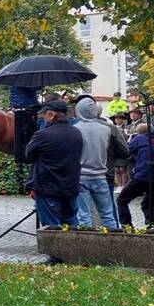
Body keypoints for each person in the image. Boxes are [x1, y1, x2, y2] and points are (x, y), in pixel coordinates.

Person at [23, 99, 82, 228]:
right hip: (71, 187)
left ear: (51, 115)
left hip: (48, 188)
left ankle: (56, 248)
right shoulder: (76, 132)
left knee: (52, 228)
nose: (43, 119)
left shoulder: (42, 135)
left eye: (44, 115)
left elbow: (28, 156)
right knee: (72, 224)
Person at [73, 96, 121, 229]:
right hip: (100, 176)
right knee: (107, 214)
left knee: (84, 215)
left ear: (78, 111)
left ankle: (86, 244)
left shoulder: (75, 129)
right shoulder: (106, 129)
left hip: (81, 176)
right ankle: (115, 242)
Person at [117, 123, 154, 227]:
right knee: (148, 204)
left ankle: (127, 226)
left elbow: (126, 151)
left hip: (143, 175)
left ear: (138, 132)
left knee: (122, 200)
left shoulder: (139, 139)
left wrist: (130, 139)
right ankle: (151, 225)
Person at [112, 113, 132, 187]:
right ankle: (119, 186)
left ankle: (124, 185)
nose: (118, 120)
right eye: (116, 118)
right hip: (115, 150)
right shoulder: (113, 127)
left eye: (120, 118)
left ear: (123, 120)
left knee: (122, 169)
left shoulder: (126, 128)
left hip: (122, 149)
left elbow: (127, 138)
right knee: (117, 169)